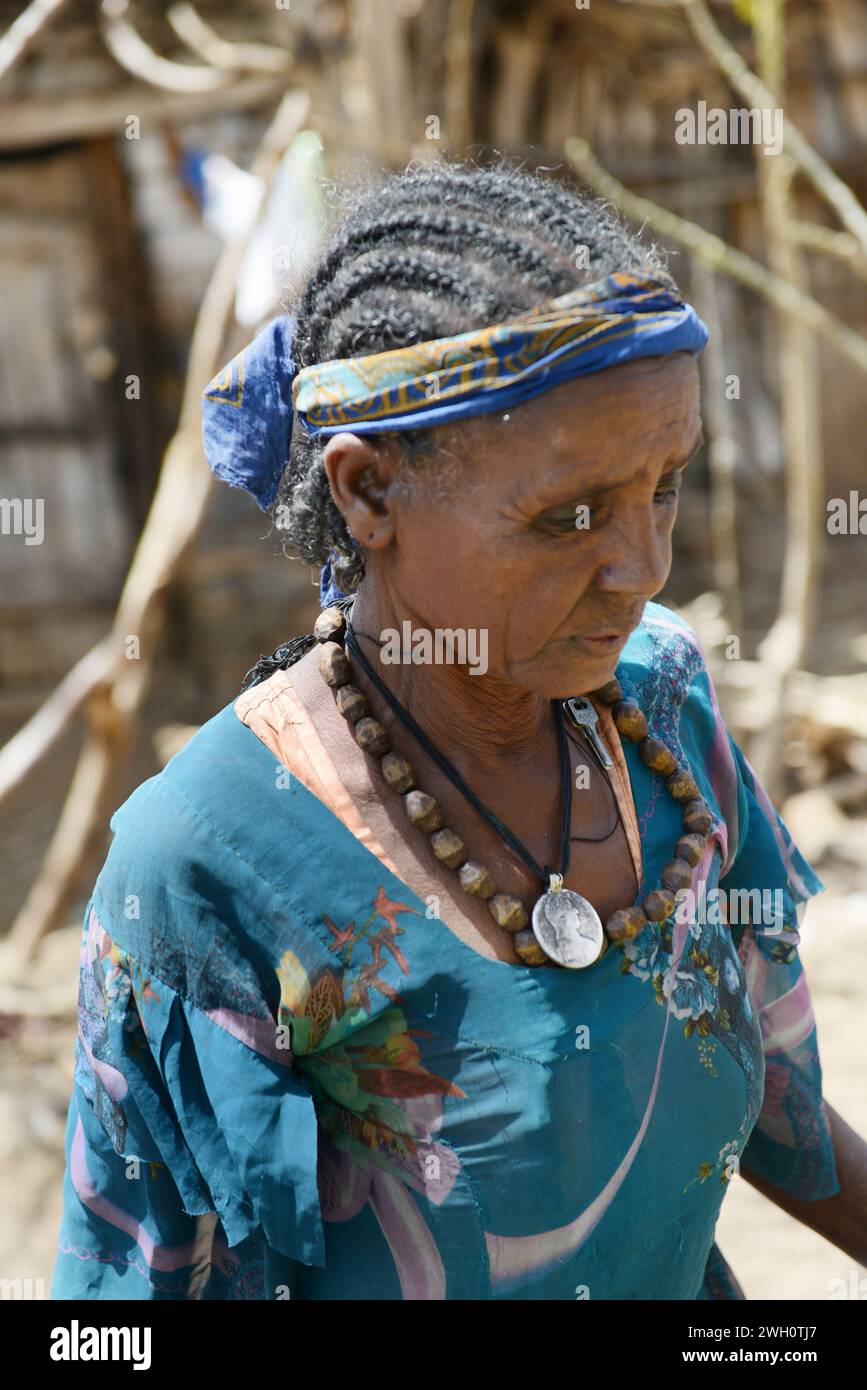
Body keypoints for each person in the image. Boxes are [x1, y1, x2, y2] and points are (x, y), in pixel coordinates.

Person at [51, 159, 865, 1301]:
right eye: (568, 515)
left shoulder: (660, 702)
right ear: (369, 491)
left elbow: (767, 1104)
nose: (642, 568)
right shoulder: (201, 866)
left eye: (666, 484)